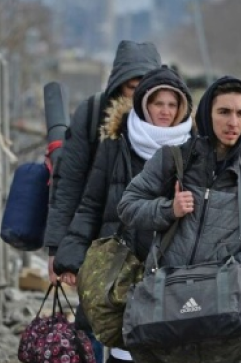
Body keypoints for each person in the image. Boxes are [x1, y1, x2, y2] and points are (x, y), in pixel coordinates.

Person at [118, 76, 241, 361]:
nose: (233, 122)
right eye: (224, 112)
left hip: (226, 310)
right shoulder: (173, 159)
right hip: (171, 306)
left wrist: (236, 278)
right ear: (207, 113)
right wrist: (169, 210)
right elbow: (128, 206)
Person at [54, 67, 194, 362]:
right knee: (122, 348)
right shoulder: (116, 145)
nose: (165, 112)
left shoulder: (194, 150)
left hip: (173, 268)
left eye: (172, 104)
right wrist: (69, 257)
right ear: (145, 104)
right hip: (122, 267)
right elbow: (91, 203)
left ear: (182, 108)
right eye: (159, 104)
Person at [44, 40, 161, 362]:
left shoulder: (169, 122)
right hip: (97, 237)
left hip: (149, 243)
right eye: (130, 87)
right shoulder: (94, 113)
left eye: (143, 88)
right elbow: (69, 184)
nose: (135, 96)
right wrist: (59, 249)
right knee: (93, 318)